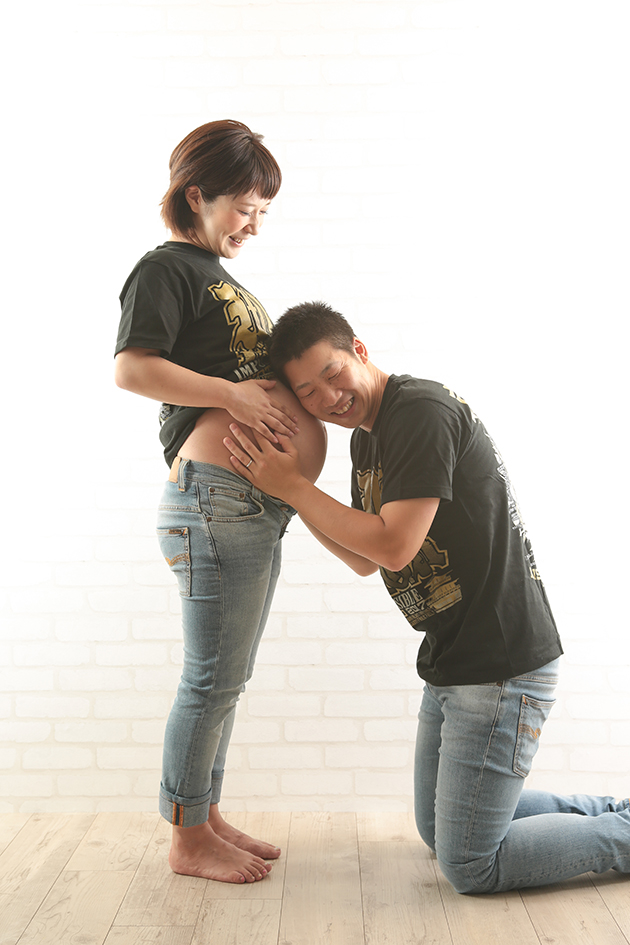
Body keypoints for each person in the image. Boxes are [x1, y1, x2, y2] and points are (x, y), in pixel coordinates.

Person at [223, 300, 630, 894]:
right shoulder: (368, 440)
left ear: (359, 350)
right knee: (439, 830)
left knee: (470, 865)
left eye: (334, 373)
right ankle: (617, 811)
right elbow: (362, 558)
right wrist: (294, 490)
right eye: (307, 393)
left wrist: (292, 485)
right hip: (454, 658)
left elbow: (393, 547)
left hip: (501, 663)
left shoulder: (419, 412)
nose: (329, 398)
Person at [114, 123, 326, 884]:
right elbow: (133, 368)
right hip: (214, 501)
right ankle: (187, 837)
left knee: (226, 680)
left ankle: (201, 814)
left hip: (251, 503)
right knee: (210, 679)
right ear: (196, 193)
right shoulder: (165, 268)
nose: (253, 225)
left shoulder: (215, 274)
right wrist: (233, 395)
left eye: (264, 212)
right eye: (245, 206)